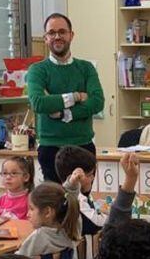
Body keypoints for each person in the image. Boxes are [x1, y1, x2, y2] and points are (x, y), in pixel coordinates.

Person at [26, 13, 105, 184]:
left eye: (62, 32)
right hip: (51, 148)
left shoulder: (86, 68)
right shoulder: (37, 70)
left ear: (71, 35)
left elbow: (97, 102)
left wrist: (64, 114)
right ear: (45, 38)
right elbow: (39, 103)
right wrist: (75, 96)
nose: (57, 37)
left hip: (83, 147)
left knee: (82, 203)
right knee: (54, 205)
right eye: (52, 33)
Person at [16, 182, 81, 259]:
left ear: (47, 212)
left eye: (32, 209)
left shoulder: (39, 236)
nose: (28, 214)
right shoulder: (70, 229)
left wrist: (23, 247)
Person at [54, 145, 106, 236]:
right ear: (77, 176)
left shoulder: (67, 193)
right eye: (89, 175)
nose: (93, 177)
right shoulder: (76, 199)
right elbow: (96, 224)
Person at [0, 156, 34, 220]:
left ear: (26, 177)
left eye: (14, 173)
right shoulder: (1, 200)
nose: (8, 177)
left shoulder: (30, 200)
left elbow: (32, 224)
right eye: (5, 173)